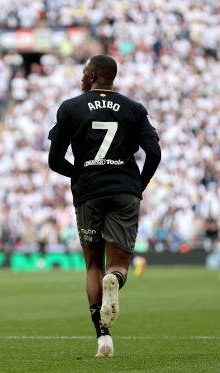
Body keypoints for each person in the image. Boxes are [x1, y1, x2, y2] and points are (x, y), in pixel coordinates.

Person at [48, 55, 161, 357]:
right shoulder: (133, 108)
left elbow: (54, 160)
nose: (82, 77)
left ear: (95, 75)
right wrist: (138, 185)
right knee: (117, 265)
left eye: (85, 72)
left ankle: (103, 337)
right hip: (125, 189)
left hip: (89, 192)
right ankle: (117, 281)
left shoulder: (70, 107)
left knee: (93, 266)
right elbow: (154, 152)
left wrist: (82, 173)